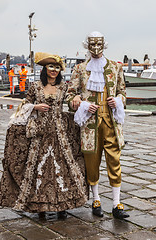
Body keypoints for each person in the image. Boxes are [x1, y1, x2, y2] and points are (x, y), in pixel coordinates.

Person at [0, 52, 88, 219]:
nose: (53, 70)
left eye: (56, 68)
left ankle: (62, 206)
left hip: (60, 133)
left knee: (63, 168)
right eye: (50, 67)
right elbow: (25, 105)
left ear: (60, 70)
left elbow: (70, 101)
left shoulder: (64, 87)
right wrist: (35, 107)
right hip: (40, 133)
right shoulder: (35, 87)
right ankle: (40, 208)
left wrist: (76, 98)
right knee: (38, 168)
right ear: (45, 69)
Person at [66, 31, 129, 219]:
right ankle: (96, 199)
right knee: (91, 163)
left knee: (114, 161)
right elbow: (70, 97)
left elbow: (123, 94)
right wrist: (79, 101)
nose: (95, 48)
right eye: (92, 45)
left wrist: (117, 101)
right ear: (87, 45)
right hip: (90, 125)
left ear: (104, 45)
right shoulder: (80, 69)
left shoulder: (115, 67)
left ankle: (117, 203)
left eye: (98, 44)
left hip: (110, 122)